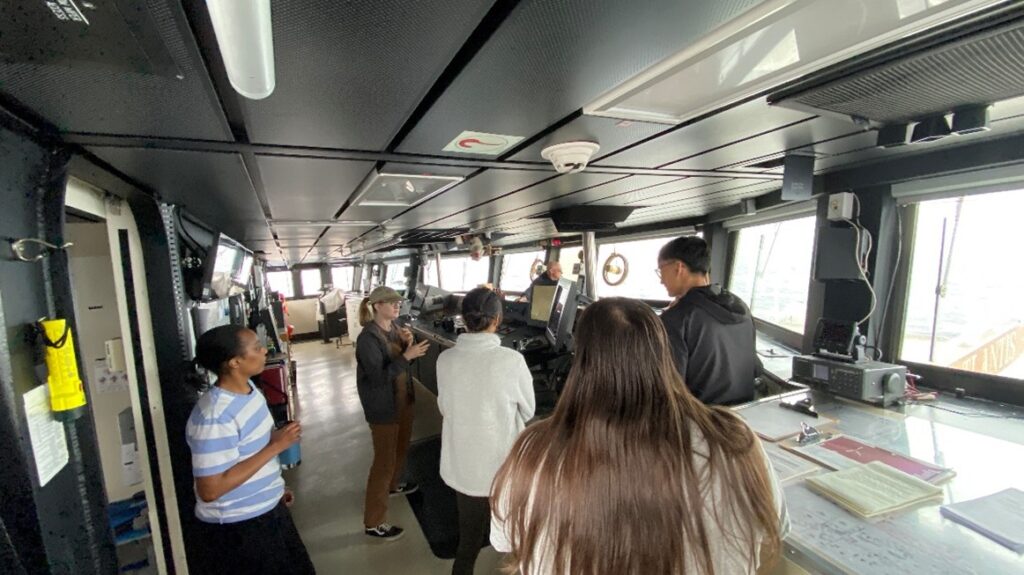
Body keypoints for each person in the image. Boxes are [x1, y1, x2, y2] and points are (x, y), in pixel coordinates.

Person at [490, 298, 788, 575]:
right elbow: (775, 525)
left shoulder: (533, 451)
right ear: (662, 353)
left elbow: (503, 540)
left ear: (581, 361)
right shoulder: (734, 439)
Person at [184, 325, 316, 575]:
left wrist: (275, 489)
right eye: (256, 348)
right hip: (241, 528)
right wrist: (276, 446)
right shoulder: (215, 416)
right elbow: (210, 489)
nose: (264, 350)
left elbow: (250, 454)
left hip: (268, 510)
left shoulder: (249, 390)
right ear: (234, 362)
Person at [437, 287, 536, 575]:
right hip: (502, 469)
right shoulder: (511, 361)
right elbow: (528, 410)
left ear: (464, 319)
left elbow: (446, 407)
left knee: (468, 541)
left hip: (463, 468)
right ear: (497, 319)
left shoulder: (446, 360)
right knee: (515, 538)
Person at [356, 286, 430, 541]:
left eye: (398, 302)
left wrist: (408, 344)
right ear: (377, 305)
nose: (397, 306)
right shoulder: (368, 338)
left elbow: (403, 361)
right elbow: (377, 378)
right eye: (391, 302)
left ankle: (393, 484)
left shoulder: (396, 327)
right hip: (383, 405)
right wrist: (407, 356)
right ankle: (374, 522)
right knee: (383, 461)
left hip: (402, 399)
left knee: (401, 447)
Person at [657, 236, 760, 405]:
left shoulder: (677, 318)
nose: (661, 280)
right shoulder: (741, 306)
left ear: (678, 267)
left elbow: (671, 388)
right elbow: (756, 368)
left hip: (702, 421)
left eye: (661, 269)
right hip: (741, 419)